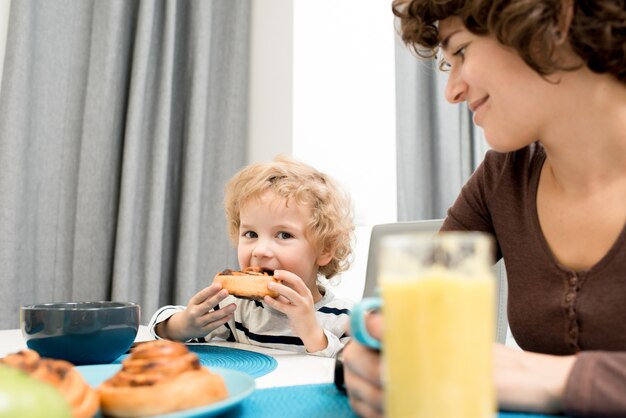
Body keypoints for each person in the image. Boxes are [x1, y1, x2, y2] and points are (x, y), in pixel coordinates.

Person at [340, 0, 626, 417]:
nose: (451, 91)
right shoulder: (501, 179)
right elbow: (414, 302)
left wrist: (548, 378)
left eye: (460, 52)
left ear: (555, 22)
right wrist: (374, 340)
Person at [148, 155, 355, 357]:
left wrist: (312, 333)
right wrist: (182, 326)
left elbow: (359, 373)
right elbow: (159, 326)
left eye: (284, 235)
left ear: (325, 250)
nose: (260, 250)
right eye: (251, 234)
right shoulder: (235, 309)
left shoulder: (344, 318)